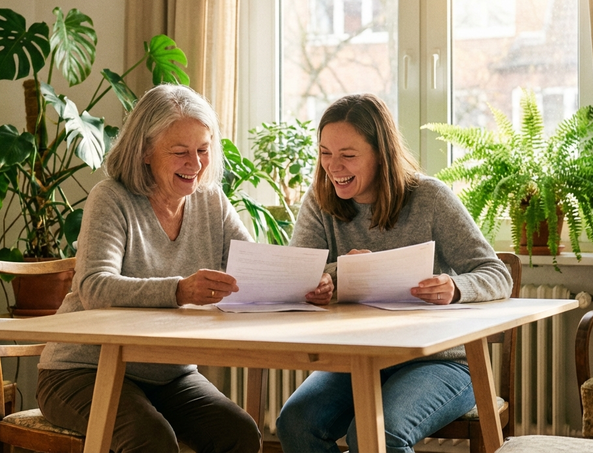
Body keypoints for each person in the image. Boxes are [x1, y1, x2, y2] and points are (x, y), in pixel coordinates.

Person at [275, 93, 512, 453]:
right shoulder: (320, 200)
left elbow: (496, 273)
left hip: (441, 362)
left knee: (376, 436)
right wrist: (331, 277)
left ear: (381, 154)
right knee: (295, 424)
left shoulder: (431, 198)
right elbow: (300, 272)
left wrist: (455, 287)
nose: (333, 167)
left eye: (348, 155)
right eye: (325, 153)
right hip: (357, 359)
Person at [36, 84, 263, 452]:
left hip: (169, 375)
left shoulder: (211, 202)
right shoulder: (112, 198)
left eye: (203, 150)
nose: (195, 164)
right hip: (82, 369)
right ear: (144, 151)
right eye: (180, 152)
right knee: (150, 439)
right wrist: (179, 290)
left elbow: (255, 268)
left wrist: (312, 280)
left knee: (239, 434)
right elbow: (95, 286)